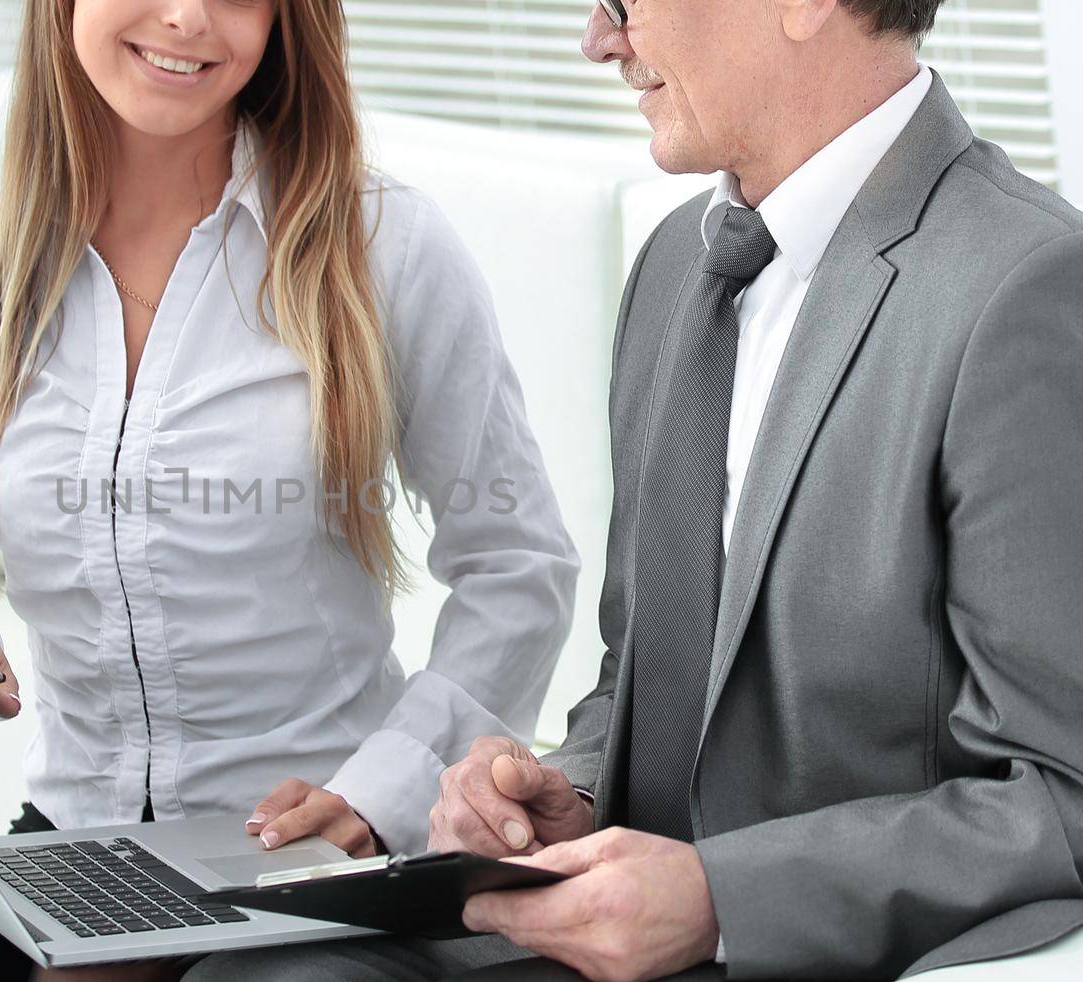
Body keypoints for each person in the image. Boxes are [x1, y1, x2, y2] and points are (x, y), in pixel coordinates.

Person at [188, 0, 1083, 979]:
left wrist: (718, 903)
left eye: (623, 2)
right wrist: (561, 794)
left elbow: (1062, 794)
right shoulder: (673, 267)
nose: (597, 40)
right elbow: (637, 679)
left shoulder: (1025, 286)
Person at [0, 0, 580, 979]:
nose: (190, 16)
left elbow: (517, 562)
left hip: (316, 840)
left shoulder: (382, 246)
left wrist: (385, 790)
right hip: (81, 833)